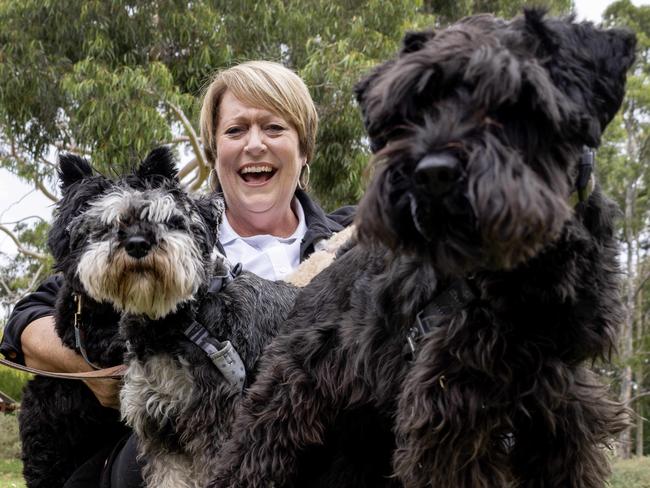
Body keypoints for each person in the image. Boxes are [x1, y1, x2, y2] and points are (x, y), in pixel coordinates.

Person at [0, 60, 355, 488]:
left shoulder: (350, 242)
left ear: (304, 150)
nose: (255, 144)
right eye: (235, 130)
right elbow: (28, 316)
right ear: (213, 150)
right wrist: (91, 369)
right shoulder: (164, 234)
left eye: (275, 128)